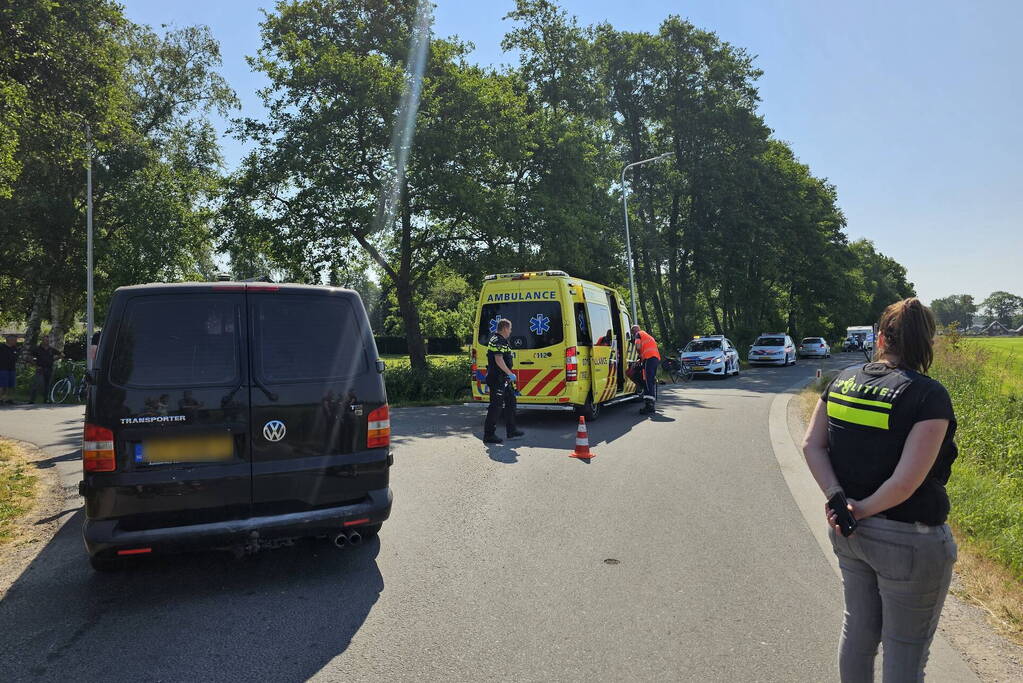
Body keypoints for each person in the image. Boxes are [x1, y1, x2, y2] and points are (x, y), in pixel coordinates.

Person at [801, 298, 958, 682]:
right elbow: (906, 482)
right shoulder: (928, 396)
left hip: (849, 534)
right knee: (905, 649)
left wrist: (840, 501)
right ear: (927, 342)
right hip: (909, 539)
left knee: (858, 632)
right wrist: (864, 508)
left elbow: (811, 445)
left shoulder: (840, 380)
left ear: (881, 338)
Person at [483, 318, 524, 444]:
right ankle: (489, 435)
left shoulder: (502, 340)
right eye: (510, 329)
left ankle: (511, 430)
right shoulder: (498, 340)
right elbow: (499, 359)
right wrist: (510, 373)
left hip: (503, 379)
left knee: (511, 401)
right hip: (497, 379)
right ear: (505, 328)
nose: (510, 331)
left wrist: (508, 375)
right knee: (496, 406)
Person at [630, 325, 661, 415]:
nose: (633, 335)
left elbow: (638, 346)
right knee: (649, 380)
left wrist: (639, 356)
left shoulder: (638, 334)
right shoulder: (647, 335)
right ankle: (651, 405)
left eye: (632, 333)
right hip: (654, 358)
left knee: (647, 381)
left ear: (634, 331)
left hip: (649, 358)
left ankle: (649, 406)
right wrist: (641, 359)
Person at [28, 335, 60, 404]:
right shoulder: (37, 349)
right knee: (37, 384)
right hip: (40, 369)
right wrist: (35, 365)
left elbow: (62, 354)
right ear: (42, 341)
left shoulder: (51, 349)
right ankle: (32, 400)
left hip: (49, 369)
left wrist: (53, 359)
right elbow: (30, 358)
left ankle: (46, 400)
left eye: (48, 340)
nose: (47, 341)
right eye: (45, 340)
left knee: (47, 385)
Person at [0, 336, 18, 404]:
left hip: (12, 369)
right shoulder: (1, 347)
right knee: (3, 385)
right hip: (3, 369)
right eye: (15, 340)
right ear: (10, 340)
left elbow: (16, 357)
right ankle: (1, 399)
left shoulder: (15, 348)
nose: (16, 342)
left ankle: (9, 399)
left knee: (11, 385)